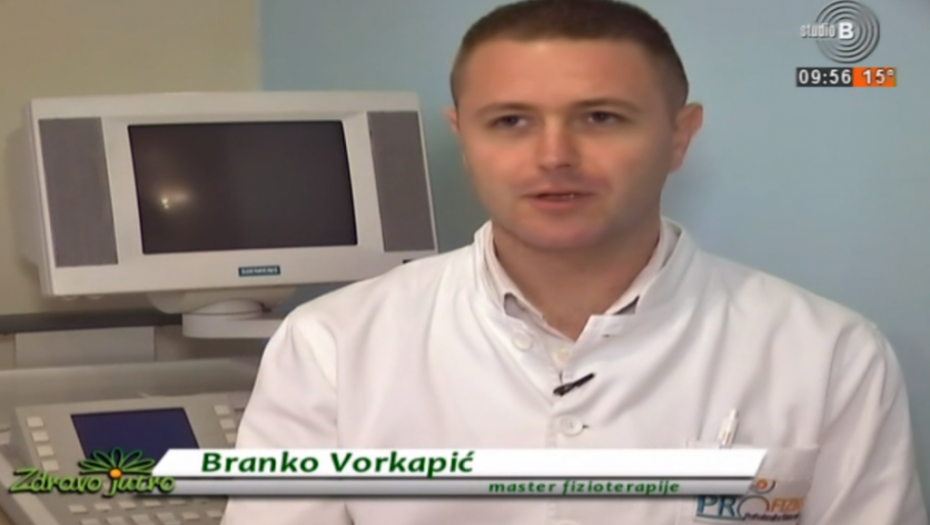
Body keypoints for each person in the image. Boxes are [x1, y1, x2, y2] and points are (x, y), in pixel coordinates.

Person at [220, 0, 927, 523]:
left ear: (679, 136)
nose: (554, 155)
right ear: (464, 137)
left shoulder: (828, 352)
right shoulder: (332, 346)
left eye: (601, 117)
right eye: (511, 121)